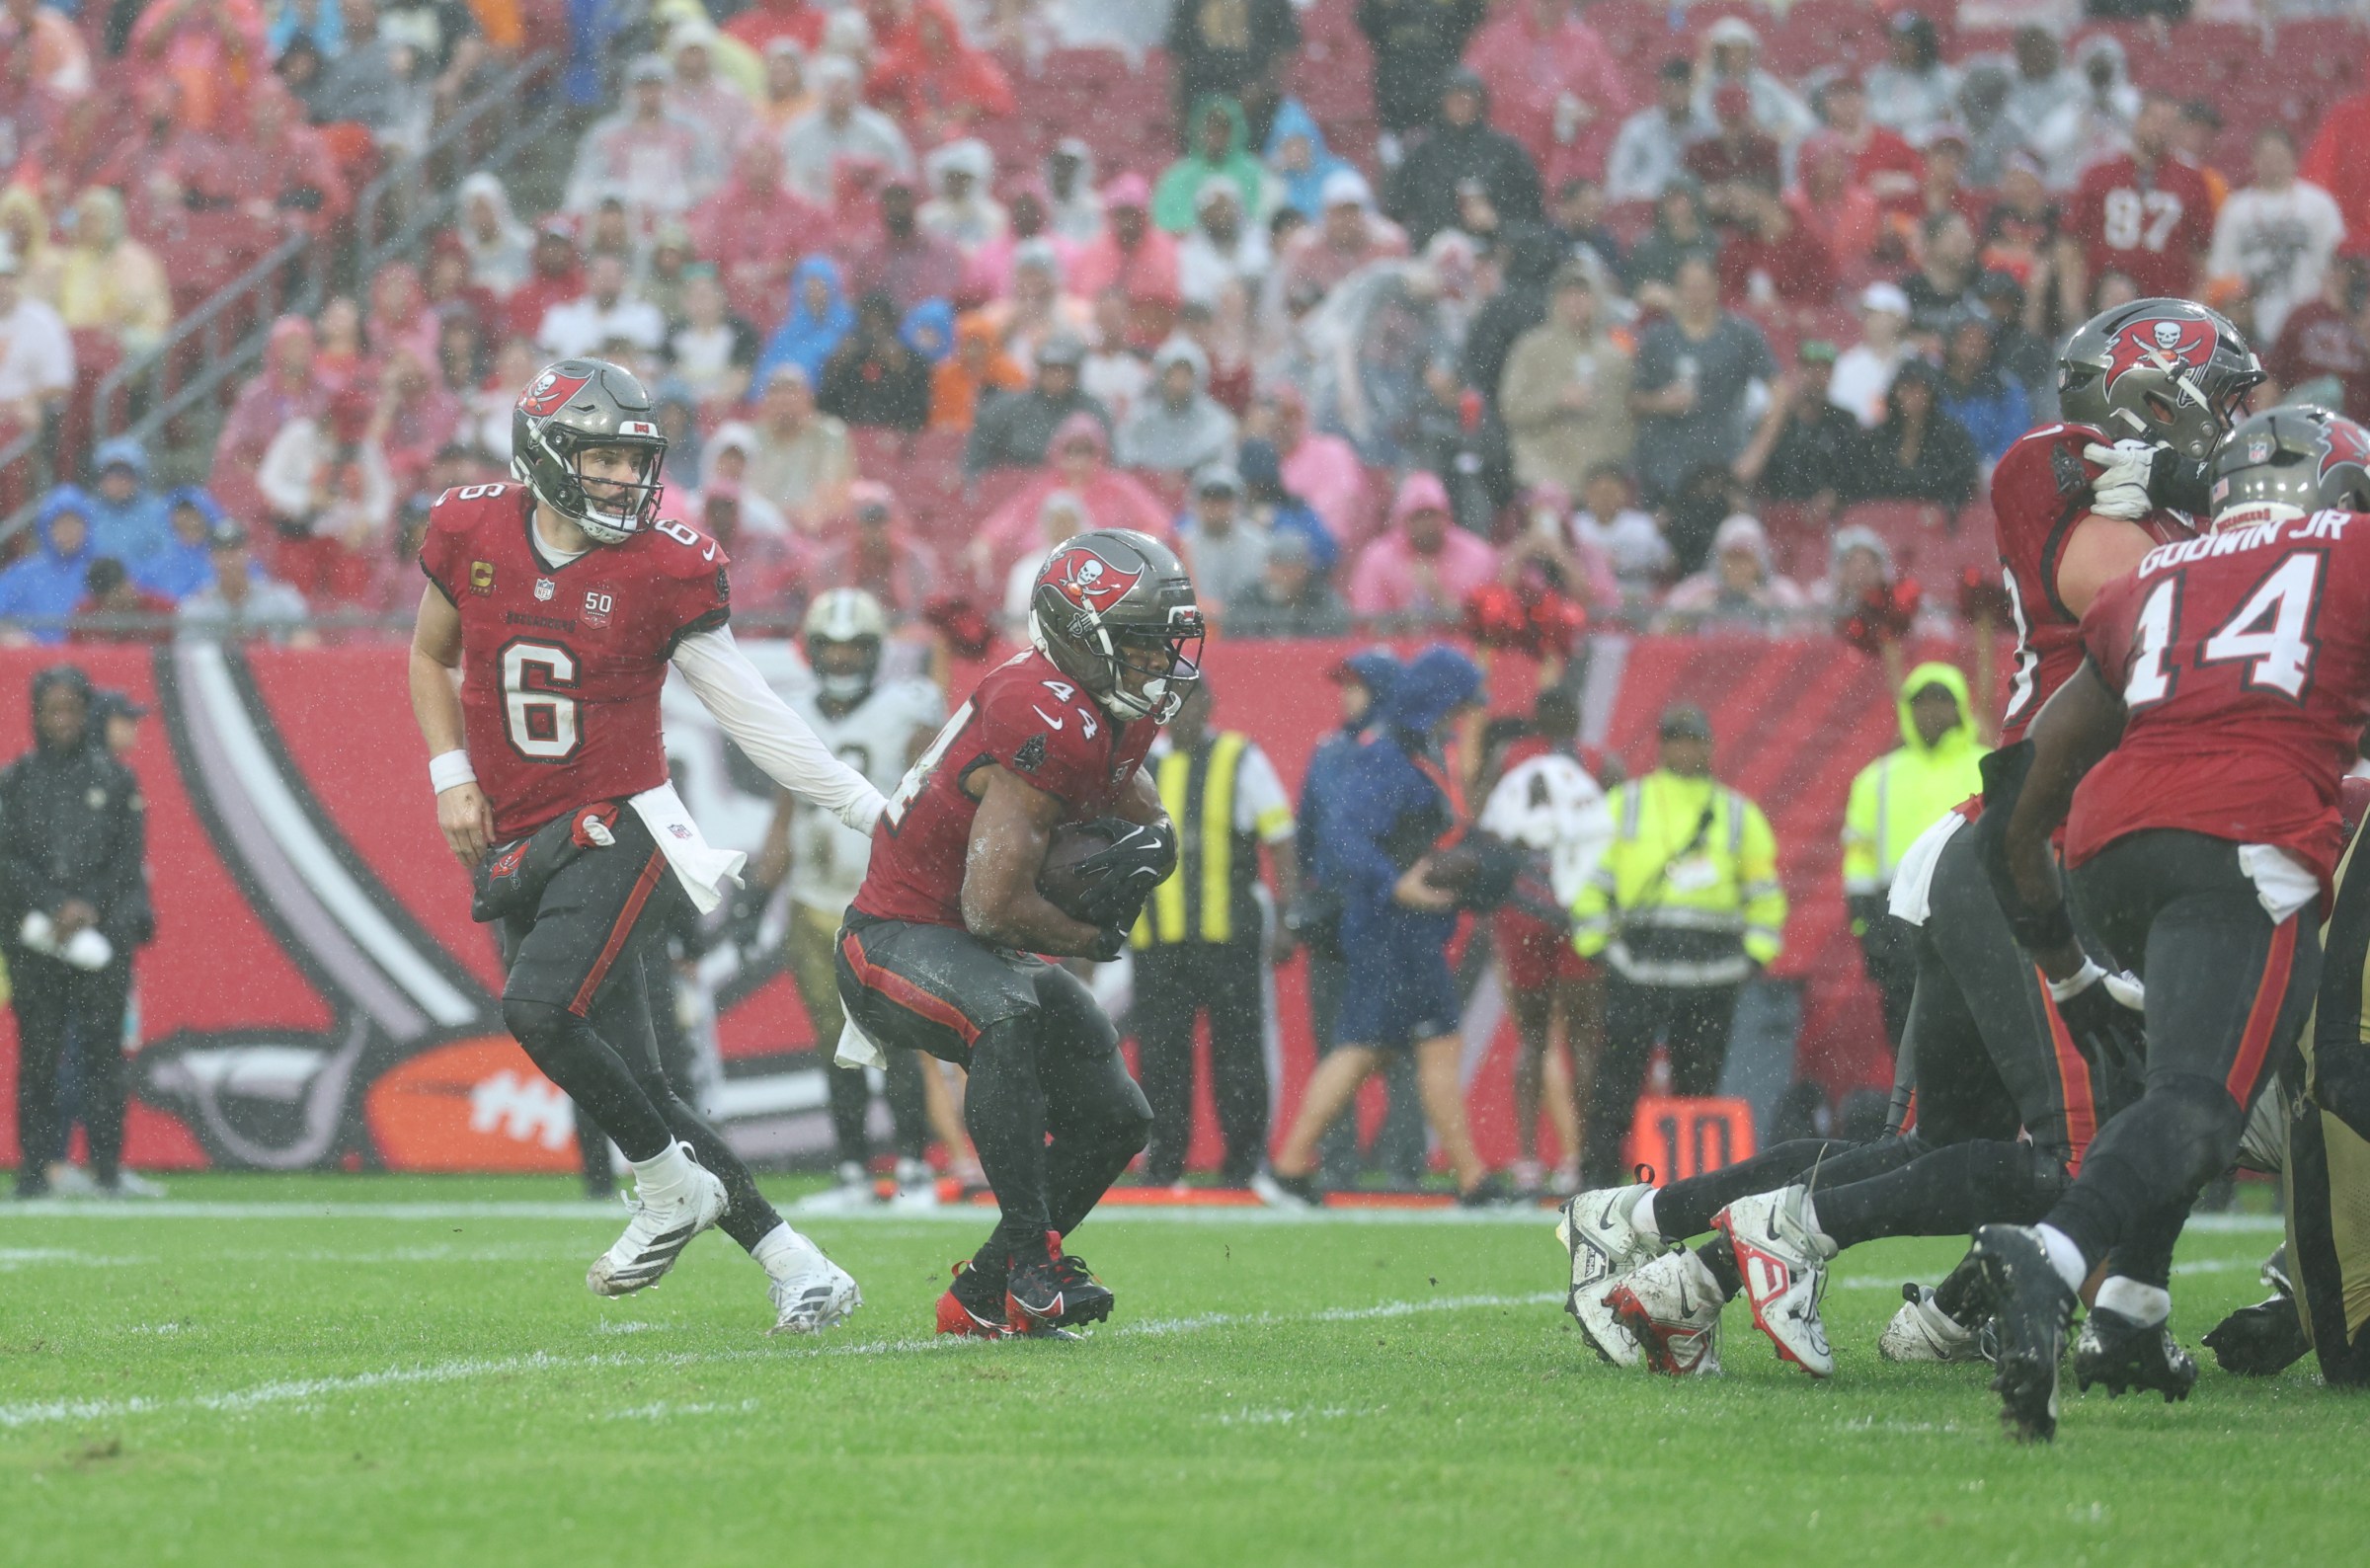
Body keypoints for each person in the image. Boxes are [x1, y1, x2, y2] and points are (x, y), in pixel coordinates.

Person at [1571, 303, 2264, 1379]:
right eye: (2217, 400)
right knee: (2073, 1158)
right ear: (2150, 396)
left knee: (1933, 1150)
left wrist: (2213, 517)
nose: (2231, 425)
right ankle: (1836, 1257)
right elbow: (2123, 600)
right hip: (2026, 856)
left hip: (2043, 855)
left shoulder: (2193, 525)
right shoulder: (2059, 467)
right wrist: (2216, 521)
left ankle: (1666, 1258)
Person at [408, 356, 876, 1331]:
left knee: (537, 1008)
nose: (625, 480)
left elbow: (749, 708)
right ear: (543, 454)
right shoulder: (469, 528)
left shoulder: (666, 563)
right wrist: (450, 772)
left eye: (635, 461)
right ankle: (799, 1265)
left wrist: (860, 805)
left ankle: (669, 1189)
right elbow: (430, 653)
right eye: (603, 460)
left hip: (623, 822)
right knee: (641, 1082)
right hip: (518, 833)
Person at [1965, 405, 2370, 1442]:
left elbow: (2022, 795)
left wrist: (2064, 972)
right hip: (2244, 837)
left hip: (2107, 851)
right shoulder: (2354, 547)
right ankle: (2055, 1258)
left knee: (2190, 1077)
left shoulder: (2151, 576)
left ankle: (2133, 1310)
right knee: (2203, 1104)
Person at [836, 529, 1196, 1337]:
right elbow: (990, 908)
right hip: (891, 939)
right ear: (1081, 638)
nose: (1157, 660)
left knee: (1117, 1117)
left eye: (1162, 641)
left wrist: (1156, 840)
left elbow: (1129, 791)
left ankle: (983, 1293)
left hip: (970, 950)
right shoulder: (1039, 709)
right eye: (1138, 642)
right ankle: (1036, 1262)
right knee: (1006, 1012)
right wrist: (1091, 933)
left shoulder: (1106, 710)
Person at [1256, 645, 1505, 1207]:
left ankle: (1472, 1180)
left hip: (1404, 931)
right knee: (1373, 1046)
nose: (1463, 715)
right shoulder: (1390, 757)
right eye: (1460, 705)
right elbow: (1344, 838)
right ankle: (1290, 1167)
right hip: (1391, 929)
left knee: (1396, 1044)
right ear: (1438, 702)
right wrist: (1396, 883)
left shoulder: (1417, 750)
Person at [747, 589, 951, 1208]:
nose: (839, 661)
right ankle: (855, 1171)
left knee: (898, 1039)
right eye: (829, 649)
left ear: (875, 652)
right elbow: (785, 814)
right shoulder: (794, 712)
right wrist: (758, 894)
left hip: (886, 906)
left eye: (852, 649)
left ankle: (913, 1165)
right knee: (836, 1045)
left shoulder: (907, 709)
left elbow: (935, 795)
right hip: (813, 902)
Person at [1569, 705, 1784, 1190]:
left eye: (1693, 739)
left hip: (1714, 974)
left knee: (1698, 1090)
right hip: (1637, 967)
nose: (1685, 749)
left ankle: (1688, 1186)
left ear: (1710, 745)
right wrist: (1596, 944)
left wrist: (1755, 954)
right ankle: (1599, 1182)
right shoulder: (1626, 804)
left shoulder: (1736, 813)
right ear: (1661, 746)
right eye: (1675, 739)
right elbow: (1589, 880)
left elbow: (1764, 892)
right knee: (1615, 1085)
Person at [1129, 676, 1299, 1187]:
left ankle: (1243, 1164)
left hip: (1228, 938)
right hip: (1156, 939)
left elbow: (1282, 838)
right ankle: (1164, 1164)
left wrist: (1288, 916)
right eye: (1171, 704)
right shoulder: (1143, 768)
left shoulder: (1238, 757)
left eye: (1191, 700)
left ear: (1208, 703)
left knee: (1238, 1054)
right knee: (1161, 1058)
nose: (1181, 713)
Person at [3, 666, 148, 1199]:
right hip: (36, 939)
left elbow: (127, 861)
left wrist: (87, 906)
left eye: (71, 709)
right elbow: (7, 859)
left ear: (88, 714)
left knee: (103, 1056)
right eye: (51, 710)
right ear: (35, 715)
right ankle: (35, 1172)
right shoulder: (15, 780)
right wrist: (51, 905)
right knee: (37, 1056)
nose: (61, 721)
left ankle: (107, 1170)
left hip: (102, 938)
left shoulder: (115, 780)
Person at [1480, 687, 1613, 1196]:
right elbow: (1611, 832)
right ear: (1576, 719)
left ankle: (1529, 1159)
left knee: (1533, 1039)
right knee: (1582, 1040)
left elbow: (1487, 829)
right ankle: (1580, 1157)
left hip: (1524, 910)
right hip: (1579, 911)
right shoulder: (1602, 762)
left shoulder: (1510, 759)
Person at [1842, 664, 1987, 1052]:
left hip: (1974, 917)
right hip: (1900, 923)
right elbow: (1859, 861)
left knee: (1976, 1038)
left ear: (1961, 707)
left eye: (1943, 701)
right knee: (1908, 1039)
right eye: (1921, 702)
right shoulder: (1878, 777)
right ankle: (1912, 1112)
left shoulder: (1988, 765)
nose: (1931, 712)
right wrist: (1866, 927)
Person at [1627, 256, 1783, 506]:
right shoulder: (1658, 338)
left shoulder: (1740, 334)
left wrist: (1757, 452)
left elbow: (1779, 387)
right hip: (1665, 464)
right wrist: (1660, 401)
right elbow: (1633, 400)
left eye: (1702, 286)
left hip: (1723, 461)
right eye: (1688, 287)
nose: (1695, 295)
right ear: (1677, 290)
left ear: (1716, 287)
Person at [2066, 92, 2213, 309]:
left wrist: (2197, 300)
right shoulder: (2100, 174)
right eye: (2155, 119)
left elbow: (2202, 251)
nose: (2160, 128)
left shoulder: (2191, 180)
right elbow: (2071, 242)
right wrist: (2072, 301)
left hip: (2167, 303)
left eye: (2168, 123)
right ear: (2138, 121)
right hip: (2104, 300)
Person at [1499, 260, 1632, 499]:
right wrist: (1556, 400)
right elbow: (1511, 409)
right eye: (1568, 294)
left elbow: (1625, 420)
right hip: (1545, 477)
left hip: (1599, 487)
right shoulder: (1531, 348)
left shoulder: (1615, 357)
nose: (1575, 302)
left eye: (1583, 293)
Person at [2206, 127, 2345, 349]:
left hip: (2304, 315)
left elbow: (2333, 262)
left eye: (2279, 156)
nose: (2273, 163)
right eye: (2266, 156)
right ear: (2254, 159)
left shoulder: (2318, 204)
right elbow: (2222, 268)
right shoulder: (2236, 208)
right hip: (2250, 320)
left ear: (2294, 158)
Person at [1385, 67, 1543, 253]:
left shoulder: (1507, 151)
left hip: (1497, 252)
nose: (1461, 104)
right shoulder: (1422, 153)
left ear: (1480, 103)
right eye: (1454, 97)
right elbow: (1395, 210)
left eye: (1468, 98)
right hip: (1433, 252)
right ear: (1441, 102)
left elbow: (1532, 214)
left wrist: (1498, 223)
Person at [1347, 470, 1498, 629]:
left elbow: (1485, 623)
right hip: (1396, 649)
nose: (1426, 524)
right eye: (1418, 516)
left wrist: (1437, 593)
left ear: (1446, 515)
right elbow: (1368, 621)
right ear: (1403, 520)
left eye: (1431, 515)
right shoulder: (1378, 557)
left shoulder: (1476, 556)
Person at [1841, 358, 1979, 512]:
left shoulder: (1952, 439)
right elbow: (1862, 488)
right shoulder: (1875, 439)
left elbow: (1962, 486)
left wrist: (1940, 509)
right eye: (1909, 387)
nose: (1916, 396)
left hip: (1936, 527)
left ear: (1932, 394)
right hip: (1883, 523)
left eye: (1923, 389)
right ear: (1896, 391)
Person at [964, 333, 1108, 474]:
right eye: (1049, 369)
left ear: (1075, 373)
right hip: (1018, 485)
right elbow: (980, 445)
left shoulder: (1091, 410)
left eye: (1062, 370)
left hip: (1074, 488)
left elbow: (1107, 460)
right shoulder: (1011, 406)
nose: (1055, 376)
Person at [744, 364, 853, 533]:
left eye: (791, 391)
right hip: (760, 531)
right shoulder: (751, 438)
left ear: (809, 397)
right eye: (776, 392)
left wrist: (797, 519)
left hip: (813, 531)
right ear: (765, 401)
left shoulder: (829, 436)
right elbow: (745, 495)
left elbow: (833, 495)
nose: (784, 399)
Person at [1115, 339, 1236, 475]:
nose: (1177, 384)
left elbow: (1220, 473)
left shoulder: (1216, 422)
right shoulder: (1141, 418)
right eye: (1171, 375)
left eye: (1184, 376)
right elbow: (1127, 459)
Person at [817, 291, 931, 431]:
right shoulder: (850, 357)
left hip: (894, 440)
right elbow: (827, 406)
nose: (874, 331)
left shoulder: (910, 360)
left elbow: (918, 411)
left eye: (880, 322)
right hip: (851, 435)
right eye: (868, 323)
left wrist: (901, 371)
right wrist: (836, 366)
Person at [1606, 57, 1709, 206]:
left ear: (1690, 89)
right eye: (1667, 88)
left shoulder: (1706, 128)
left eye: (1679, 88)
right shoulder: (1638, 128)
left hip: (1690, 209)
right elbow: (1617, 179)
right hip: (1644, 204)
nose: (1672, 95)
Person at [1174, 464, 1268, 618]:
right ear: (1196, 504)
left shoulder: (1260, 544)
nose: (1216, 508)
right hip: (1199, 628)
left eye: (1223, 501)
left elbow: (1265, 597)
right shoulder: (1183, 544)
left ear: (1238, 503)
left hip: (1249, 629)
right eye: (1210, 500)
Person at [1223, 530, 1350, 637]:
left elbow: (1336, 632)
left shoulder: (1322, 597)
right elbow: (1234, 631)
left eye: (1290, 568)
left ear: (1304, 569)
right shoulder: (1248, 596)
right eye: (1276, 566)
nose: (1282, 575)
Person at [1828, 280, 1912, 430]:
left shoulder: (1917, 360)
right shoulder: (1847, 365)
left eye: (1878, 313)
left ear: (1899, 319)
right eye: (1867, 314)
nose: (1871, 320)